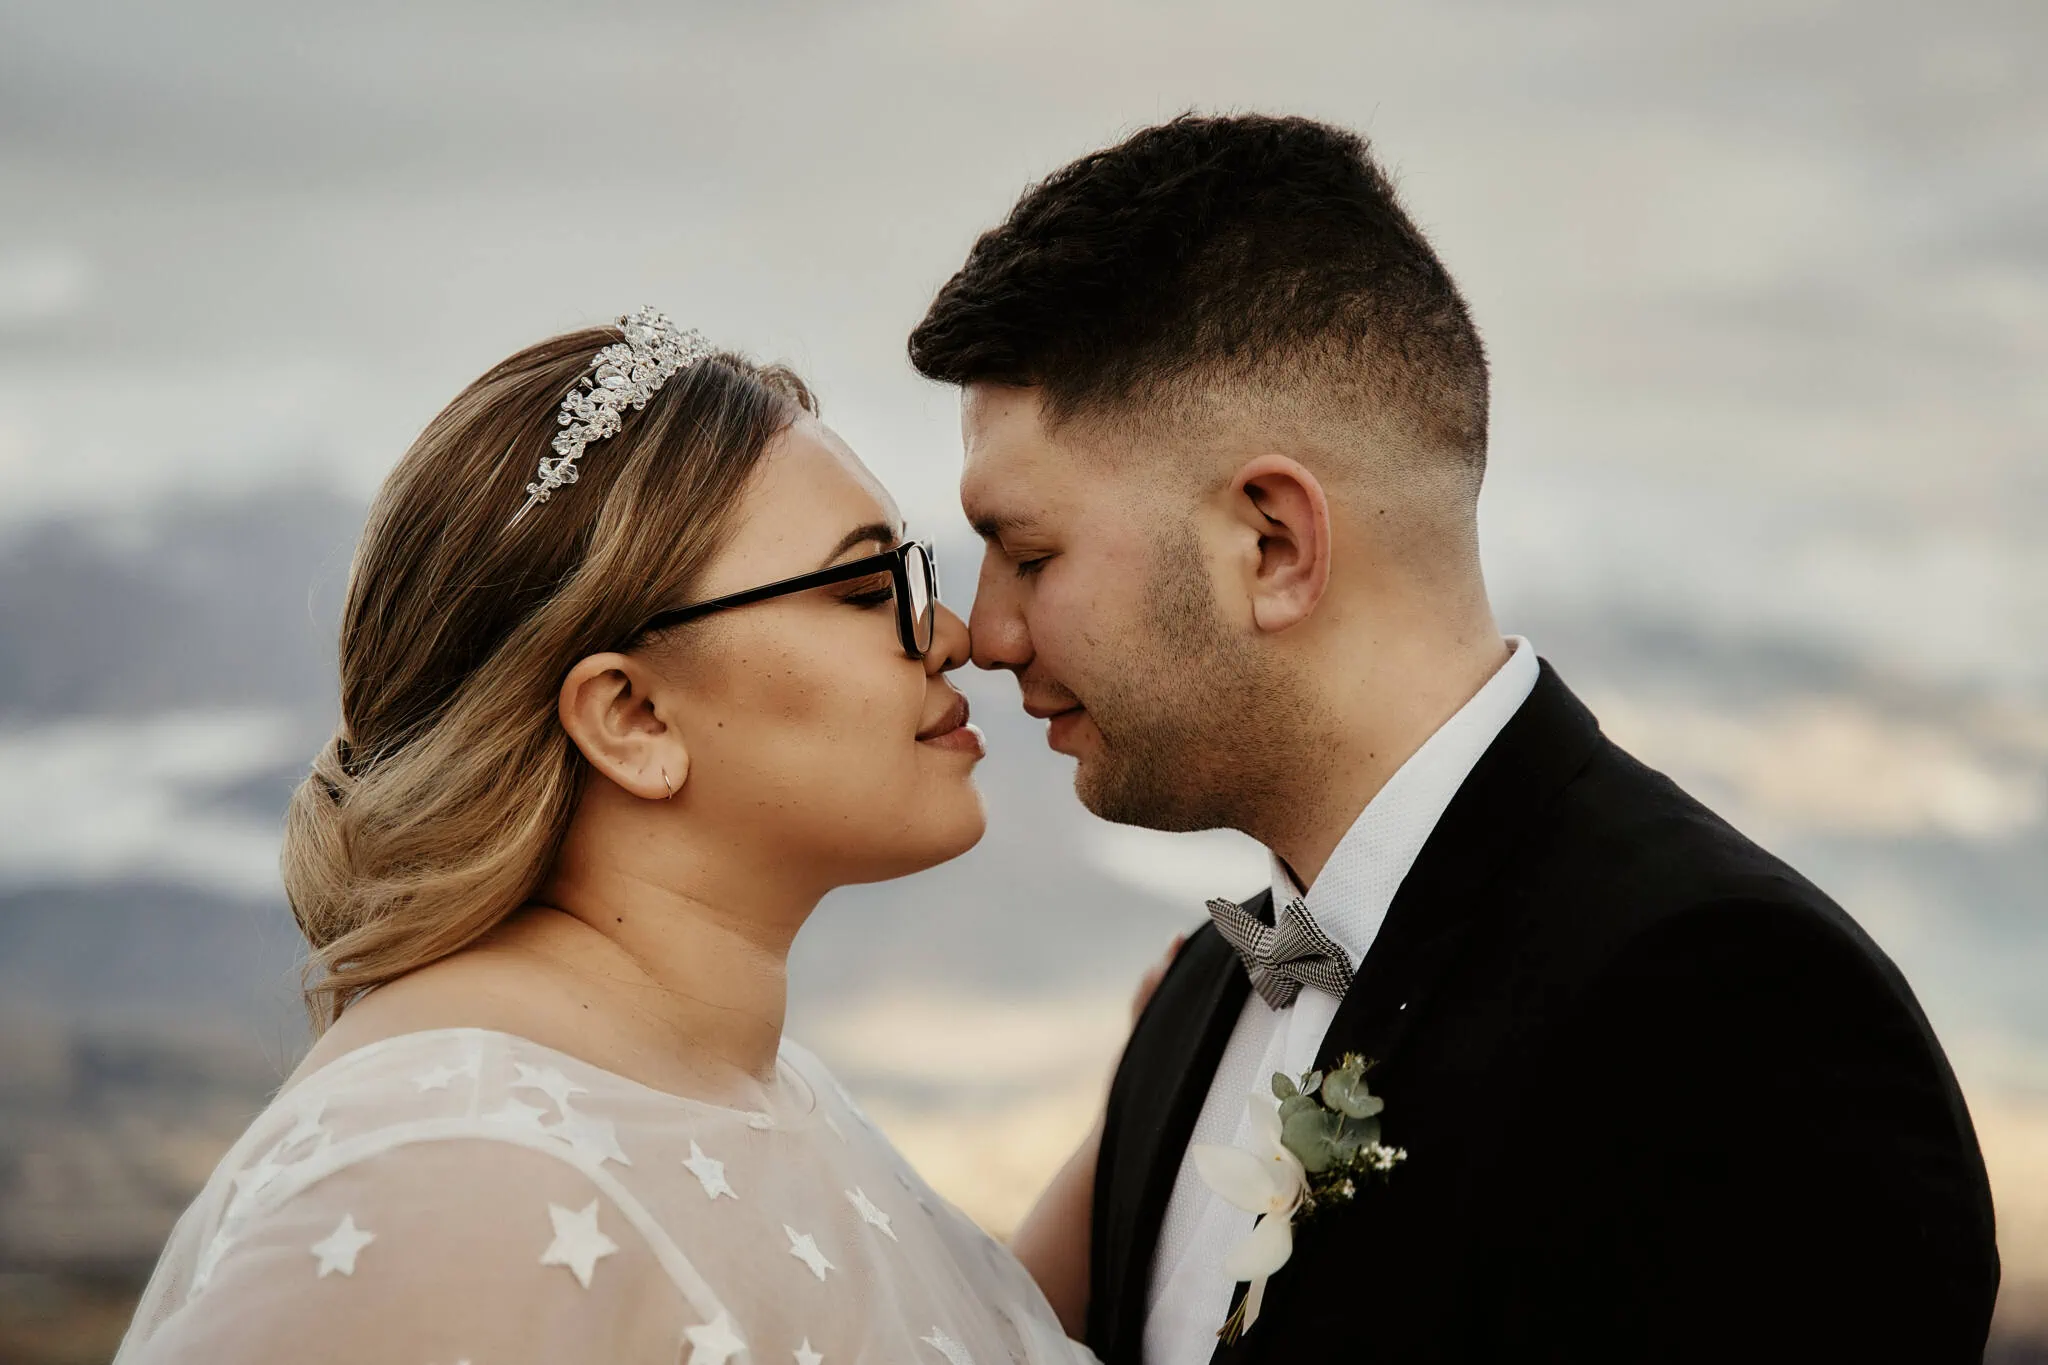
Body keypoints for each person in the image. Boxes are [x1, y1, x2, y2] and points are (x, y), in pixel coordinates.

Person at [913, 115, 2002, 1364]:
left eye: (1030, 554)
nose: (986, 632)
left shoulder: (1729, 1018)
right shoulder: (1200, 1000)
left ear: (1271, 545)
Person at [113, 309, 1098, 1365]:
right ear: (632, 718)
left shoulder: (748, 1090)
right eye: (865, 589)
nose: (952, 636)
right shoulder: (442, 1179)